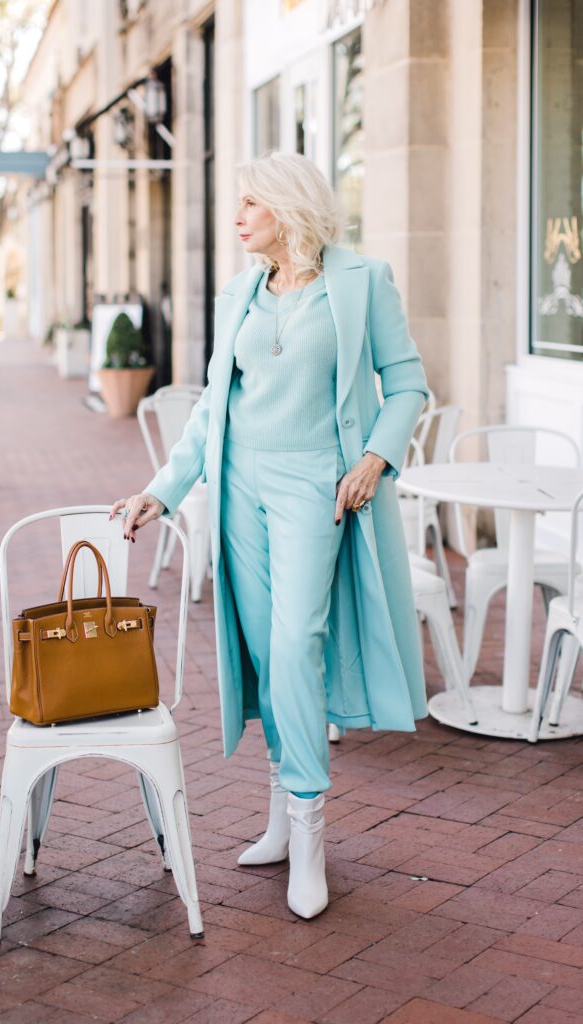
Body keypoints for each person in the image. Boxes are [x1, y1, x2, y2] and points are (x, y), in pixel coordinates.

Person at [110, 151, 429, 920]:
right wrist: (162, 490)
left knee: (296, 645)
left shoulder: (360, 282)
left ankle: (311, 829)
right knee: (261, 649)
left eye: (251, 203)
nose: (238, 217)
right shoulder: (240, 292)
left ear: (287, 209)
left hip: (315, 489)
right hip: (239, 486)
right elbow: (213, 409)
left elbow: (408, 383)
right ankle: (282, 815)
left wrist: (375, 457)